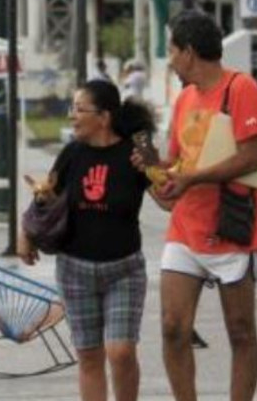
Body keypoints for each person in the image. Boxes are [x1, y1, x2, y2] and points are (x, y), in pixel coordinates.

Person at [142, 9, 257, 401]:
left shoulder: (241, 88)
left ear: (188, 52)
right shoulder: (184, 98)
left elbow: (251, 157)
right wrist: (153, 168)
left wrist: (192, 178)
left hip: (229, 228)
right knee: (172, 326)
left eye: (171, 50)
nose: (170, 59)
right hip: (185, 228)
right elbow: (178, 164)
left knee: (240, 330)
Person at [19, 80, 157, 401]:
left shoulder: (137, 151)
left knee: (121, 352)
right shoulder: (71, 153)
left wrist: (154, 164)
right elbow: (45, 196)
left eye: (79, 109)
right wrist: (25, 233)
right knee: (89, 356)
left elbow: (168, 200)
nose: (72, 116)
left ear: (104, 117)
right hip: (74, 270)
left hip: (124, 270)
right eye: (72, 109)